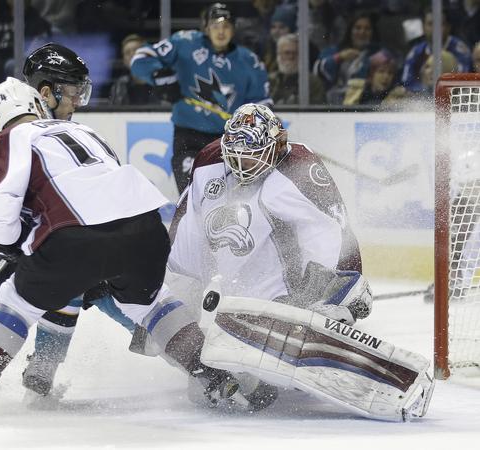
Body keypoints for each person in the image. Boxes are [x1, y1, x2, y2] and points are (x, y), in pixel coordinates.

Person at [0, 46, 260, 421]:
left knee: (22, 301)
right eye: (73, 91)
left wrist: (3, 253)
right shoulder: (82, 131)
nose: (78, 101)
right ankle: (211, 374)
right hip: (142, 232)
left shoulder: (7, 140)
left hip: (70, 241)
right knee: (151, 303)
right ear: (42, 95)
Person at [167, 103, 435, 421]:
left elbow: (333, 231)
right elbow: (186, 230)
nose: (242, 164)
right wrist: (173, 296)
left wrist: (336, 290)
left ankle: (307, 334)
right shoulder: (209, 163)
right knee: (211, 392)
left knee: (263, 388)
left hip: (286, 297)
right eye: (236, 155)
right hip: (233, 301)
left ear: (278, 145)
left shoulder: (299, 169)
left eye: (252, 155)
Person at [130, 2, 272, 194]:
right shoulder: (185, 42)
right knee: (192, 193)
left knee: (229, 198)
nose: (220, 31)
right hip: (188, 137)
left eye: (226, 26)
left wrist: (257, 129)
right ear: (206, 27)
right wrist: (159, 76)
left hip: (229, 141)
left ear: (233, 29)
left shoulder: (249, 61)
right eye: (215, 25)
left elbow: (262, 104)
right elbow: (140, 58)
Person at [313, 11, 383, 104]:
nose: (362, 32)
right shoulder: (334, 51)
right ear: (350, 30)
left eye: (367, 29)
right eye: (358, 28)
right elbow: (317, 71)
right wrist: (339, 57)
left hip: (366, 102)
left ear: (372, 32)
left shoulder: (380, 54)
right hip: (334, 103)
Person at [400, 8, 471, 94]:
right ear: (423, 28)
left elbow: (462, 81)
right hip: (423, 97)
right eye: (430, 24)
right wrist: (425, 90)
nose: (435, 28)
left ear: (448, 27)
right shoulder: (416, 51)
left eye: (440, 24)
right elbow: (407, 82)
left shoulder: (460, 50)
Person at [268, 33, 326, 105]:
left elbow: (316, 108)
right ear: (279, 54)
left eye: (295, 53)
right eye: (287, 53)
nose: (291, 57)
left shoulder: (312, 82)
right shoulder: (269, 80)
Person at [108, 34, 160, 106]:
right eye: (127, 52)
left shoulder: (160, 81)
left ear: (146, 53)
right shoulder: (119, 86)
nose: (132, 55)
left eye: (136, 50)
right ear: (124, 61)